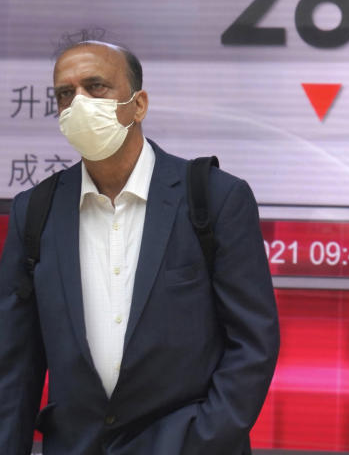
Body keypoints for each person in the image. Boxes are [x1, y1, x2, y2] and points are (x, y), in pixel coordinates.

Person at [0, 37, 281, 455]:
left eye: (95, 87)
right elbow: (15, 366)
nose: (78, 104)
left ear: (139, 103)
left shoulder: (214, 198)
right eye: (65, 93)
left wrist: (202, 440)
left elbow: (253, 343)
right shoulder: (35, 211)